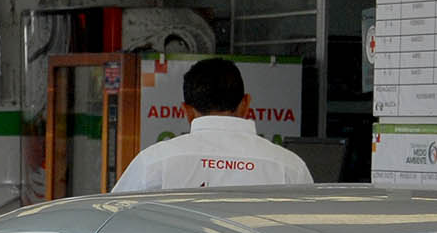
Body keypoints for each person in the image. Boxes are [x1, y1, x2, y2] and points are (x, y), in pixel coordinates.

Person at [110, 57, 314, 192]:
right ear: (245, 104)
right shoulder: (289, 166)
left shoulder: (154, 162)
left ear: (187, 110)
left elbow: (112, 222)